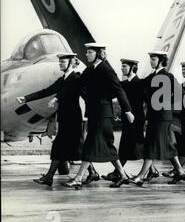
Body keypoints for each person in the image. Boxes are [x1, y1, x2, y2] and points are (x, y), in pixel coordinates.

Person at [16, 53, 97, 185]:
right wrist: (26, 98)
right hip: (65, 117)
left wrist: (95, 112)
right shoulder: (63, 79)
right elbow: (47, 91)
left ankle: (49, 177)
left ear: (71, 63)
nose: (60, 64)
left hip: (73, 118)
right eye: (60, 62)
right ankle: (92, 172)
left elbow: (81, 95)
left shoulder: (76, 78)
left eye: (63, 62)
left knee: (65, 147)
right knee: (74, 147)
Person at [61, 43, 134, 189]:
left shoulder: (106, 70)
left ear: (99, 54)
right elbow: (76, 86)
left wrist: (127, 111)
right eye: (87, 52)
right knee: (108, 146)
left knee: (90, 145)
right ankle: (123, 175)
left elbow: (119, 90)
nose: (86, 55)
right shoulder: (90, 70)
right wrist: (59, 96)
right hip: (95, 114)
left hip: (103, 114)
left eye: (89, 52)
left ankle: (78, 178)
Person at [129, 51, 185, 186]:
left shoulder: (167, 76)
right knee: (167, 145)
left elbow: (180, 93)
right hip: (155, 116)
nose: (151, 61)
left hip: (162, 117)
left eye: (153, 59)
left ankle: (140, 176)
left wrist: (168, 102)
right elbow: (137, 85)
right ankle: (180, 171)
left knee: (151, 145)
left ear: (161, 60)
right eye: (150, 59)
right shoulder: (152, 76)